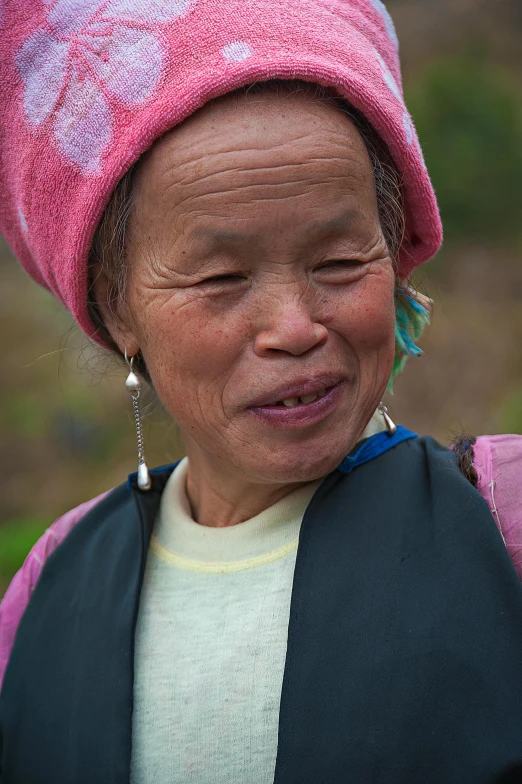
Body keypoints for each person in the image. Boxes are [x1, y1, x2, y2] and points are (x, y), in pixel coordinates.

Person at [1, 1, 521, 782]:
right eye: (221, 278)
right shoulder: (55, 582)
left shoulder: (505, 519)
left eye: (341, 261)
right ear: (117, 310)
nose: (295, 327)